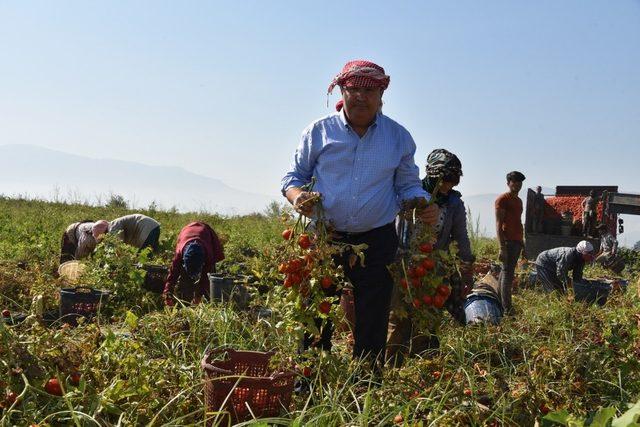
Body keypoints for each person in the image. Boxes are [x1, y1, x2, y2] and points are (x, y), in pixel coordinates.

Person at [280, 59, 439, 368]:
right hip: (326, 237)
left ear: (382, 95)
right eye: (354, 89)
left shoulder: (398, 138)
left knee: (373, 315)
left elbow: (407, 185)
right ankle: (310, 376)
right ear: (342, 91)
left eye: (370, 90)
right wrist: (299, 198)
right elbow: (292, 179)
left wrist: (422, 203)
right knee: (317, 311)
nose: (361, 97)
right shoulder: (319, 132)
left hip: (377, 239)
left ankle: (366, 382)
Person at [387, 149, 474, 365]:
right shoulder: (409, 195)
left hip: (433, 268)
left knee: (428, 317)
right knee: (399, 317)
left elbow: (461, 238)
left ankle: (423, 365)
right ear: (433, 176)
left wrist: (466, 269)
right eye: (444, 180)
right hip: (404, 265)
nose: (447, 186)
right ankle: (392, 366)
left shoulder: (454, 203)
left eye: (452, 181)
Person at [163, 222, 225, 305]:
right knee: (184, 279)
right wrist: (168, 293)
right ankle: (185, 298)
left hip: (205, 231)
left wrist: (198, 296)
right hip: (186, 231)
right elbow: (173, 274)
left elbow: (205, 277)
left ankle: (208, 299)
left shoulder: (208, 254)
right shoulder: (179, 253)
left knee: (210, 279)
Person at [495, 171, 526, 314]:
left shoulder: (519, 201)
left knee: (505, 272)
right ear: (508, 183)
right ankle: (507, 309)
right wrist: (501, 247)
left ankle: (500, 303)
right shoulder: (503, 199)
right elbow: (498, 224)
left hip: (517, 241)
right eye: (514, 181)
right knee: (507, 275)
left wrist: (522, 240)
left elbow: (518, 221)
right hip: (508, 242)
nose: (517, 184)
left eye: (519, 182)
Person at [92, 214, 161, 252]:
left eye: (102, 239)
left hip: (146, 228)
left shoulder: (113, 227)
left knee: (142, 257)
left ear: (104, 233)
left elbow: (118, 245)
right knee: (153, 252)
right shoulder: (114, 225)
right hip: (153, 226)